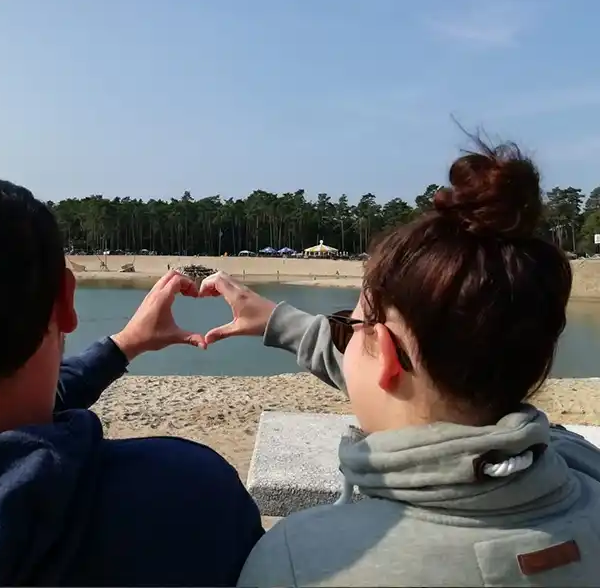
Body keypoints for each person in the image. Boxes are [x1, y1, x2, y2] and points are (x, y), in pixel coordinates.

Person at [200, 139, 600, 587]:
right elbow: (424, 378)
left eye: (347, 328)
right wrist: (276, 322)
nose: (344, 342)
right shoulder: (582, 465)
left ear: (386, 358)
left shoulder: (302, 559)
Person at [0, 177, 263, 587]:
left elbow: (2, 416)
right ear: (67, 303)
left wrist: (124, 345)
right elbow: (18, 415)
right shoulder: (191, 497)